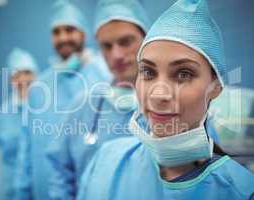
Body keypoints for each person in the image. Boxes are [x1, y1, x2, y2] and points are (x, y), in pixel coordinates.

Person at [77, 0, 254, 199]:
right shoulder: (105, 162)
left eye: (183, 74)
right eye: (148, 72)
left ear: (216, 87)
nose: (158, 94)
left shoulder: (240, 192)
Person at [46, 0, 149, 199]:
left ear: (146, 39)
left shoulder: (174, 105)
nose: (116, 55)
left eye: (126, 42)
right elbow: (60, 172)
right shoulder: (84, 105)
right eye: (106, 46)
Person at [14, 1, 111, 199]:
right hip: (43, 190)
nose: (63, 37)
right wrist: (21, 192)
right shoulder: (40, 86)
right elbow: (27, 146)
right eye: (56, 32)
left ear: (83, 34)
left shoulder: (105, 77)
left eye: (69, 30)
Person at [0, 48, 38, 200]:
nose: (23, 79)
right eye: (17, 74)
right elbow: (6, 151)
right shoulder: (4, 112)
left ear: (35, 75)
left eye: (27, 72)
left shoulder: (46, 108)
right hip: (11, 184)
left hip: (40, 183)